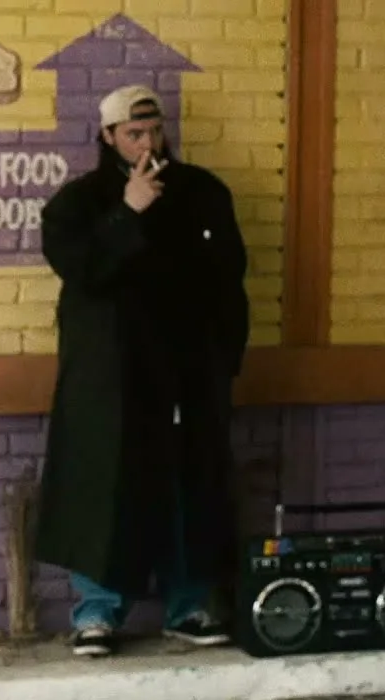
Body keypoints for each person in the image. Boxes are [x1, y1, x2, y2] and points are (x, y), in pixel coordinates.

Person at [33, 85, 251, 658]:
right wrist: (127, 212)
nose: (148, 144)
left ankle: (189, 607)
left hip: (187, 375)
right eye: (133, 134)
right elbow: (84, 271)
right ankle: (97, 613)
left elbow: (229, 281)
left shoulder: (202, 193)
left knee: (188, 489)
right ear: (108, 136)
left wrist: (224, 361)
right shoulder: (76, 205)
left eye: (154, 131)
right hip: (111, 379)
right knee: (103, 491)